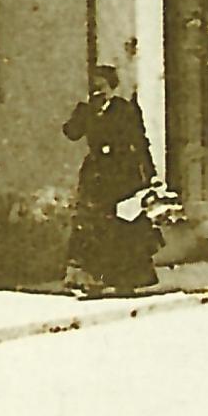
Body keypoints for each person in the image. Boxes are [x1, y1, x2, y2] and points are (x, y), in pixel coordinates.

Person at [62, 65, 163, 294]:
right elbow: (71, 133)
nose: (97, 93)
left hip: (120, 174)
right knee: (91, 225)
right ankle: (90, 280)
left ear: (111, 87)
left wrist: (149, 175)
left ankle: (126, 279)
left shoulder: (124, 110)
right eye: (93, 88)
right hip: (95, 174)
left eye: (101, 88)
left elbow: (140, 142)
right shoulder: (87, 111)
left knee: (123, 226)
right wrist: (83, 112)